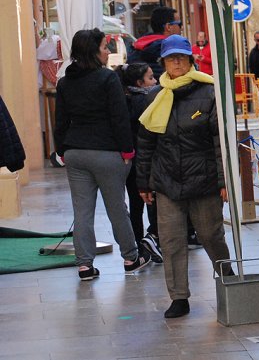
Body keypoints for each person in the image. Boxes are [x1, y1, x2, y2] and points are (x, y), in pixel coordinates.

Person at [135, 35, 231, 319]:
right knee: (172, 241)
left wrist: (224, 181)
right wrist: (144, 182)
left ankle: (228, 277)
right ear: (163, 62)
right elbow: (146, 143)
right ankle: (179, 297)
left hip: (203, 179)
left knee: (212, 235)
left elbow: (219, 142)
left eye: (181, 56)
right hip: (166, 182)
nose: (176, 62)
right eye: (171, 57)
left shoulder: (210, 91)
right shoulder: (154, 96)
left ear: (191, 59)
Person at [54, 29, 151, 280]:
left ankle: (84, 265)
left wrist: (62, 150)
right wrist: (128, 150)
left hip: (75, 152)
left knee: (82, 211)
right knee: (116, 208)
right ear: (93, 51)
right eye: (105, 47)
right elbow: (119, 118)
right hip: (107, 153)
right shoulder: (107, 79)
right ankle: (131, 258)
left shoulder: (64, 82)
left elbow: (61, 121)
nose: (108, 52)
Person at [117, 63, 163, 264]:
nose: (155, 81)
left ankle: (139, 243)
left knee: (136, 206)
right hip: (148, 160)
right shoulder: (147, 100)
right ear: (139, 82)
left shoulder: (123, 100)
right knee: (155, 203)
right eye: (151, 78)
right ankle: (152, 238)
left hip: (130, 161)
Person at [128, 6, 182, 79]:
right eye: (179, 24)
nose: (182, 28)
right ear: (168, 27)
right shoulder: (171, 49)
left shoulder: (137, 47)